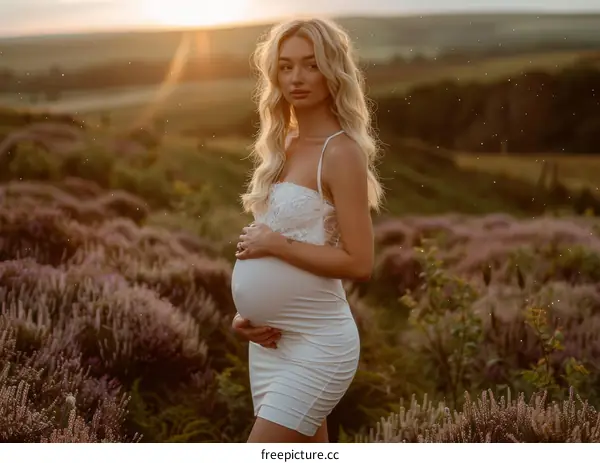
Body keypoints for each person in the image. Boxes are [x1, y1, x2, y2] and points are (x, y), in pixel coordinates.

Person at [229, 16, 384, 443]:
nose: (297, 78)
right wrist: (246, 317)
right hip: (270, 346)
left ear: (334, 71)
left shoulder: (342, 153)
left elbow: (360, 262)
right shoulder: (282, 146)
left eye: (311, 64)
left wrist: (277, 244)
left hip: (319, 347)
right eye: (286, 66)